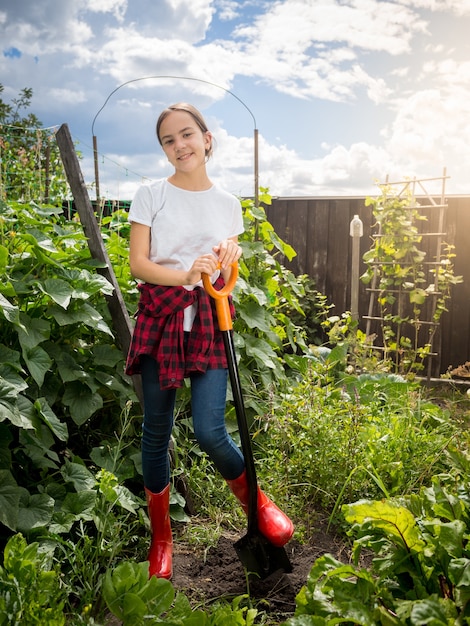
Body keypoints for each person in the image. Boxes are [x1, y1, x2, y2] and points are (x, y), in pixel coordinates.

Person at [125, 102, 294, 579]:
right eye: (168, 141)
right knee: (156, 433)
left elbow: (222, 275)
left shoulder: (227, 204)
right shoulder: (150, 194)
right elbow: (138, 264)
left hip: (208, 321)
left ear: (207, 138)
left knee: (210, 430)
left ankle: (259, 505)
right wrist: (187, 273)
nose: (179, 146)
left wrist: (225, 261)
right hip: (161, 320)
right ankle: (162, 540)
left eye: (186, 135)